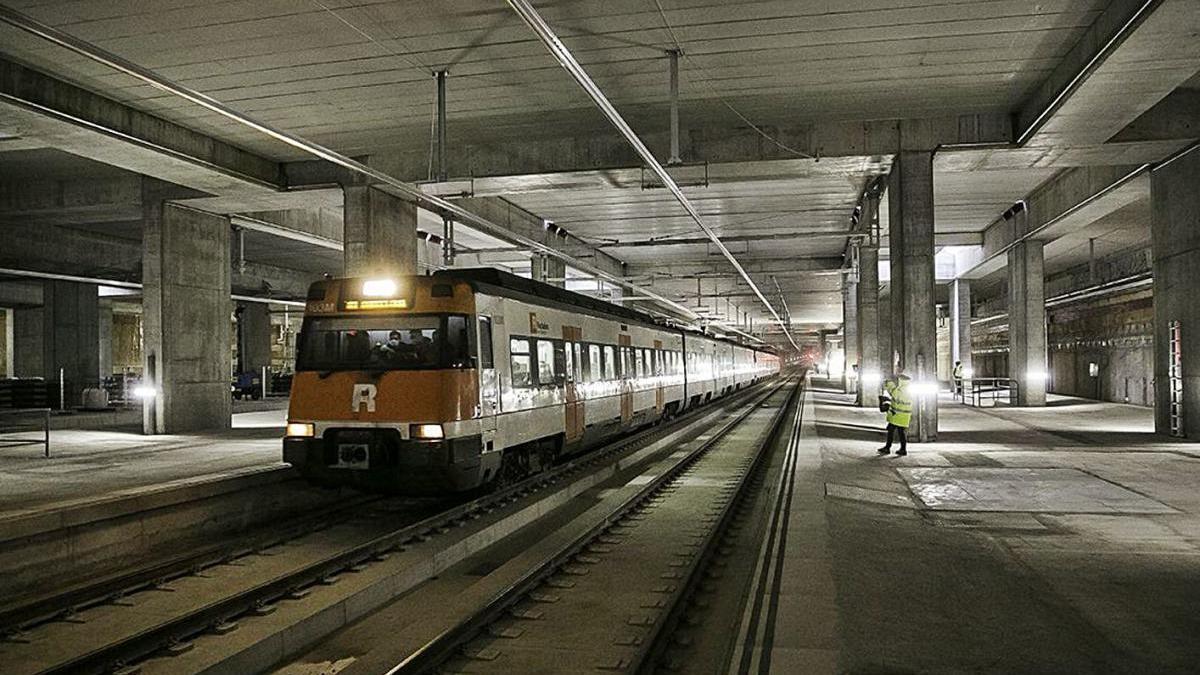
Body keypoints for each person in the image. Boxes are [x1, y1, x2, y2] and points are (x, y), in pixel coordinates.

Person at [878, 371, 913, 456]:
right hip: (904, 415)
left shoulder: (900, 389)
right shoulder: (909, 389)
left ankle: (888, 448)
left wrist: (888, 382)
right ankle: (903, 449)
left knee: (891, 430)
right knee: (901, 432)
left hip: (897, 414)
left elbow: (893, 392)